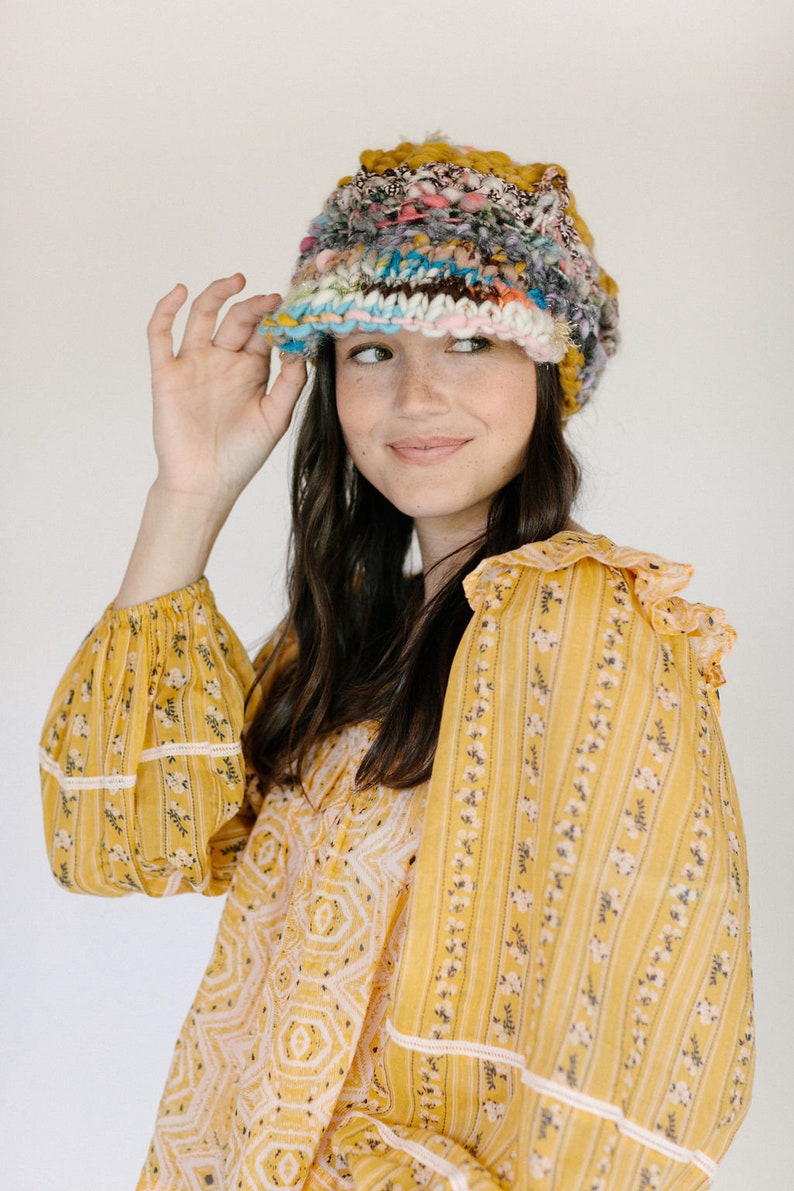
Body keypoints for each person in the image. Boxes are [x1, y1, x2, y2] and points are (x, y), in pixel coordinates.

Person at [39, 139, 754, 1190]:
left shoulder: (581, 622)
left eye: (469, 340)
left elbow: (642, 1031)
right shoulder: (345, 642)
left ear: (547, 375)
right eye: (371, 350)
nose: (416, 395)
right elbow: (122, 841)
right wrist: (188, 493)